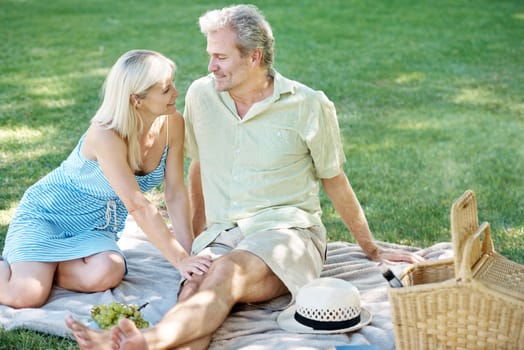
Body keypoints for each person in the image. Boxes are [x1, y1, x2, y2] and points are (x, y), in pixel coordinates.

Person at [65, 5, 424, 349]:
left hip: (286, 233)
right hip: (223, 232)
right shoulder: (201, 96)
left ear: (253, 57)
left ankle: (146, 340)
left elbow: (335, 180)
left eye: (221, 57)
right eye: (210, 55)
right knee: (194, 283)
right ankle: (146, 345)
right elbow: (198, 169)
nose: (210, 66)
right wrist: (195, 243)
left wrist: (372, 248)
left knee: (224, 273)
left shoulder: (309, 105)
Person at [1, 50, 212, 309]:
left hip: (95, 228)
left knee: (109, 272)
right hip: (48, 216)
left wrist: (190, 254)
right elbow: (137, 205)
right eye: (167, 89)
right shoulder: (105, 133)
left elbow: (175, 193)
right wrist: (179, 261)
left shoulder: (172, 122)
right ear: (137, 100)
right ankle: (33, 265)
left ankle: (42, 266)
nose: (176, 93)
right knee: (25, 296)